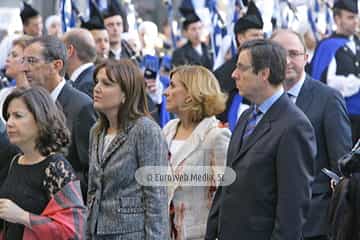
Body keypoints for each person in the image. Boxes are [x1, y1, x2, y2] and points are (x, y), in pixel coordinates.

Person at [205, 39, 316, 239]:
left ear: (264, 74)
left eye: (241, 68)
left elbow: (292, 208)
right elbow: (227, 185)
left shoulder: (294, 126)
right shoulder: (246, 117)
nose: (233, 74)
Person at [271, 29, 353, 240]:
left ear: (306, 58)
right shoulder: (263, 101)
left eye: (294, 54)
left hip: (315, 223)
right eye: (280, 53)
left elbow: (342, 165)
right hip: (271, 221)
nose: (287, 60)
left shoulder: (328, 99)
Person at [87, 59, 169, 239]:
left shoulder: (145, 130)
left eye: (106, 84)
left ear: (126, 93)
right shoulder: (97, 131)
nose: (97, 88)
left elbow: (156, 196)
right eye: (97, 82)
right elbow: (93, 191)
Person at [0, 87, 85, 239]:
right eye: (8, 116)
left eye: (18, 116)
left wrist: (23, 216)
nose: (9, 123)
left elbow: (73, 231)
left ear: (40, 119)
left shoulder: (56, 167)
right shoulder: (16, 161)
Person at [22, 35, 97, 200]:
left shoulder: (81, 106)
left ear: (56, 65)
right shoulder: (29, 103)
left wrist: (60, 195)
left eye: (32, 61)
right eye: (24, 61)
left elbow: (92, 171)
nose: (25, 68)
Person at [163, 65, 230, 239]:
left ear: (190, 94)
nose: (165, 92)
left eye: (172, 86)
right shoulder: (168, 129)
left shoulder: (216, 135)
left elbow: (224, 197)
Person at [309, 0, 360, 144]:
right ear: (337, 19)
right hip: (341, 118)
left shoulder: (357, 43)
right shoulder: (327, 46)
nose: (355, 21)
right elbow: (325, 84)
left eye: (356, 17)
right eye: (350, 17)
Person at [214, 0, 264, 131]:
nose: (259, 39)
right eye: (254, 35)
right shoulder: (223, 74)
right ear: (240, 38)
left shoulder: (268, 66)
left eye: (261, 35)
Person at [171, 0, 213, 70]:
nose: (197, 32)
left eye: (200, 28)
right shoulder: (179, 53)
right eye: (193, 29)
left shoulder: (209, 49)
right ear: (185, 32)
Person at [0, 36, 31, 124]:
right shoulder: (3, 93)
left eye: (14, 55)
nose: (7, 59)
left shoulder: (36, 97)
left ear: (28, 61)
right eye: (9, 55)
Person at [62, 28, 96, 98]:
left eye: (60, 48)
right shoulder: (91, 76)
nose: (57, 54)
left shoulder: (86, 85)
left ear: (69, 50)